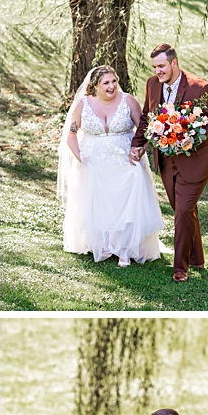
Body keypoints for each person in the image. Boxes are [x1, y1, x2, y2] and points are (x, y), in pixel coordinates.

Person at [129, 44, 208, 282]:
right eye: (154, 67)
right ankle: (197, 258)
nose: (158, 72)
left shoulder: (199, 87)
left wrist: (194, 137)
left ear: (174, 63)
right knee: (184, 209)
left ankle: (180, 267)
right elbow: (147, 117)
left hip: (196, 160)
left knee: (182, 210)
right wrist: (137, 144)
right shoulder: (152, 85)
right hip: (167, 161)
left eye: (161, 66)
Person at [58, 65, 165, 266]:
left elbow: (143, 129)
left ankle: (125, 247)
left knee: (129, 191)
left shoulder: (128, 101)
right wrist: (81, 158)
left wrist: (140, 149)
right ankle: (104, 244)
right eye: (106, 83)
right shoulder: (83, 105)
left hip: (125, 160)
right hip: (93, 163)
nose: (112, 86)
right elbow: (71, 135)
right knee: (99, 201)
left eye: (114, 81)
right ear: (95, 86)